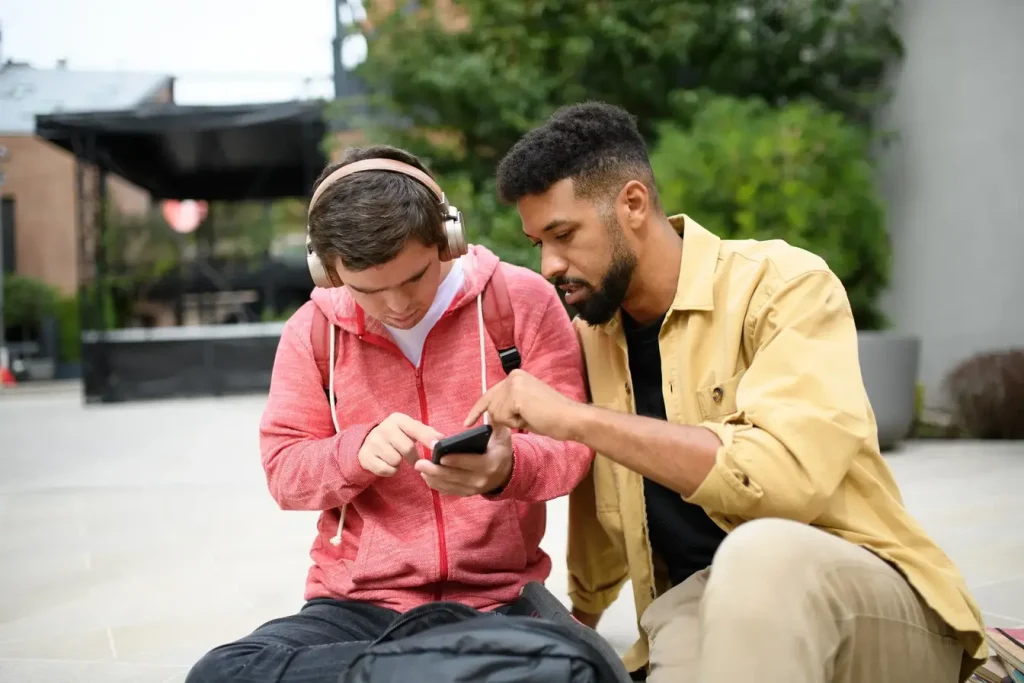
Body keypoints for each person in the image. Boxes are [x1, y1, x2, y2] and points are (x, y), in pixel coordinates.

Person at [465, 102, 988, 683]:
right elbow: (602, 507)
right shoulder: (592, 334)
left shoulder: (783, 286)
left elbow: (783, 479)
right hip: (694, 607)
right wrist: (573, 626)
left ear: (632, 204)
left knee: (758, 557)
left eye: (563, 235)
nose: (549, 266)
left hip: (859, 598)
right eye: (538, 243)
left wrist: (578, 419)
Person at [185, 145, 594, 683]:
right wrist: (354, 452)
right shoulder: (311, 332)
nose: (398, 305)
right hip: (356, 605)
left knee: (586, 667)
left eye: (414, 278)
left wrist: (506, 468)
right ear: (326, 269)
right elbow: (284, 473)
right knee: (222, 672)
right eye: (368, 291)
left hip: (501, 599)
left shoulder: (520, 302)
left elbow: (574, 449)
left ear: (447, 238)